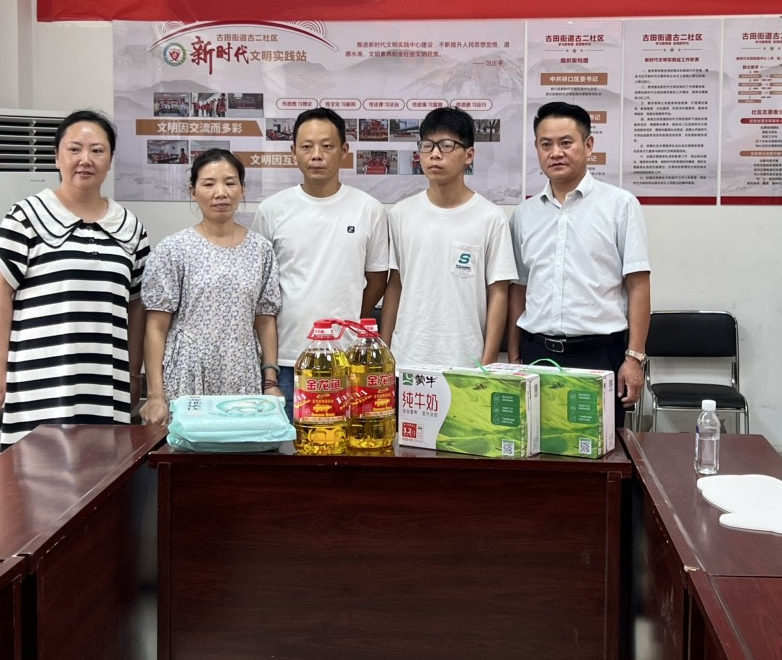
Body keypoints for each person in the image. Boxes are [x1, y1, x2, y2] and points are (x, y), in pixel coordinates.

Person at [0, 110, 150, 449]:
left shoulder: (130, 228)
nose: (85, 159)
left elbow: (136, 307)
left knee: (103, 469)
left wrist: (134, 373)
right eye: (74, 149)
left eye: (97, 150)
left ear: (110, 160)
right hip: (39, 378)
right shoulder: (26, 217)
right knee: (34, 471)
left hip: (105, 381)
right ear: (57, 157)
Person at [508, 101, 651, 418]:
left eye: (566, 142)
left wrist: (634, 358)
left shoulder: (620, 205)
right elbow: (519, 288)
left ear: (588, 146)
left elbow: (639, 285)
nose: (555, 152)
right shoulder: (524, 215)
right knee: (536, 444)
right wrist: (514, 355)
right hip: (536, 355)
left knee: (602, 447)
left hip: (599, 355)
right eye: (546, 144)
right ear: (537, 148)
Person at [253, 108, 388, 418]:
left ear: (344, 151)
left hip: (348, 358)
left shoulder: (369, 209)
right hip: (286, 358)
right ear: (293, 152)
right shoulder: (272, 210)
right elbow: (260, 287)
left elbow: (378, 279)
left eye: (327, 146)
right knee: (287, 444)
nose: (316, 155)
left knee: (345, 443)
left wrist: (349, 320)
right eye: (307, 146)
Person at [140, 150, 281, 424]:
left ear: (242, 189)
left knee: (237, 444)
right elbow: (156, 327)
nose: (220, 193)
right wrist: (155, 395)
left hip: (241, 371)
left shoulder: (261, 250)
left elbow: (265, 319)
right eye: (208, 184)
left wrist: (270, 381)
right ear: (193, 192)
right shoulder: (174, 249)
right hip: (187, 373)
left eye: (230, 183)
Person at [381, 106, 516, 368]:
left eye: (446, 145)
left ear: (469, 155)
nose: (434, 154)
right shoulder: (401, 213)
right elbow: (395, 285)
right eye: (427, 146)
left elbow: (499, 292)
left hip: (466, 361)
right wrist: (385, 352)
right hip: (407, 358)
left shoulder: (490, 217)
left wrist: (487, 364)